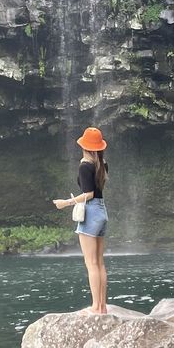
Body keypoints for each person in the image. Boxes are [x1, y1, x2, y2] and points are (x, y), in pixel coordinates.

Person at [53, 127, 109, 315]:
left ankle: (95, 307)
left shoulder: (85, 166)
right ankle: (103, 306)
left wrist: (65, 203)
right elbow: (97, 192)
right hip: (102, 211)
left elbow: (89, 194)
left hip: (91, 212)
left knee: (91, 263)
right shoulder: (102, 164)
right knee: (99, 263)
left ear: (84, 146)